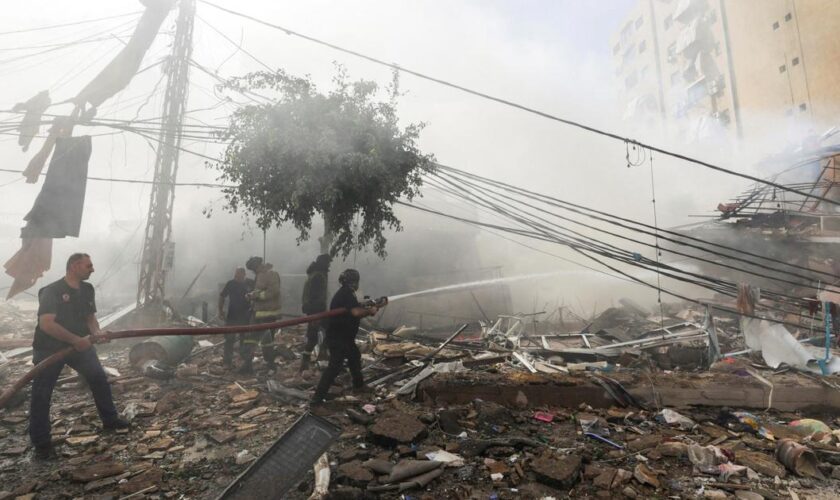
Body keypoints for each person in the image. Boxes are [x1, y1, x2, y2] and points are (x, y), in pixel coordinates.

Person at [29, 253, 129, 460]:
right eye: (88, 266)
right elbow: (46, 324)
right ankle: (41, 444)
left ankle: (110, 420)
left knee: (99, 379)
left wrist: (97, 333)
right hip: (49, 349)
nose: (92, 269)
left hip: (80, 346)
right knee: (42, 393)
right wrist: (75, 340)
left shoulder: (87, 289)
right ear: (74, 266)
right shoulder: (52, 291)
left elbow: (90, 317)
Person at [310, 269, 380, 406]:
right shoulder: (346, 293)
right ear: (354, 281)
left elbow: (354, 306)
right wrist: (370, 311)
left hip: (345, 337)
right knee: (334, 368)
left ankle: (358, 386)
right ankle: (316, 402)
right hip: (338, 338)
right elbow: (355, 312)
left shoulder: (346, 293)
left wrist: (368, 303)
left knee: (354, 356)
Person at [242, 256, 282, 374]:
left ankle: (270, 365)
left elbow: (273, 292)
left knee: (267, 340)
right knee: (251, 339)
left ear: (258, 265)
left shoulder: (271, 274)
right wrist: (251, 295)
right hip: (258, 312)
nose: (253, 271)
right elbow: (260, 291)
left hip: (268, 314)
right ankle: (247, 364)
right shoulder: (260, 275)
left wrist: (255, 296)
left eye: (254, 268)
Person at [299, 254, 331, 373]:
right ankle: (322, 353)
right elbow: (315, 296)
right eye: (328, 263)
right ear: (324, 263)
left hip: (313, 310)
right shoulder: (318, 276)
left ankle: (305, 363)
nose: (329, 265)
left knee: (312, 336)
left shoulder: (314, 274)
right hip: (316, 311)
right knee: (330, 330)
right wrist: (317, 313)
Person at [218, 267, 253, 369]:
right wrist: (220, 310)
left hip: (245, 316)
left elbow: (256, 295)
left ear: (244, 274)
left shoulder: (249, 284)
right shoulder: (231, 284)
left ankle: (243, 361)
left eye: (239, 274)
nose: (237, 276)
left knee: (245, 340)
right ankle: (227, 362)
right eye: (236, 274)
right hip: (232, 316)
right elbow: (222, 296)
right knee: (229, 339)